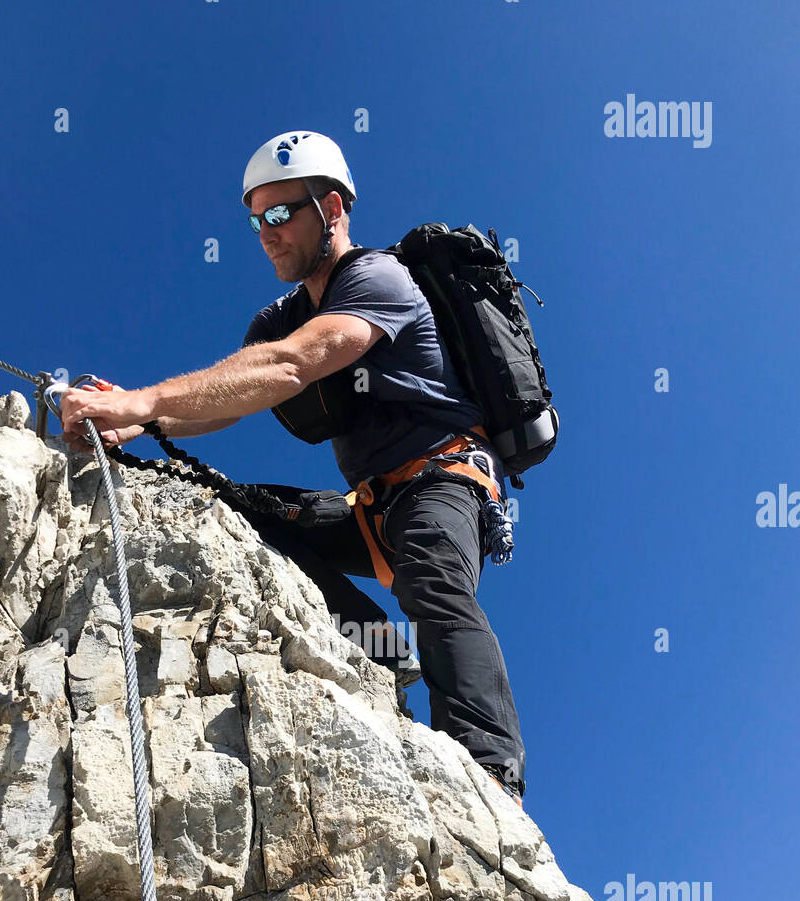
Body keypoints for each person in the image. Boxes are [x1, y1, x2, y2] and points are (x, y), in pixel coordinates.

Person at [60, 131, 526, 803]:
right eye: (255, 221)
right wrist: (140, 422)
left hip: (444, 480)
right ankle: (375, 650)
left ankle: (489, 777)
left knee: (432, 586)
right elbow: (231, 399)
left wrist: (145, 398)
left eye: (280, 215)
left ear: (331, 207)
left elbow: (292, 364)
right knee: (235, 511)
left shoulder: (377, 279)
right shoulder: (279, 315)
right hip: (370, 508)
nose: (265, 234)